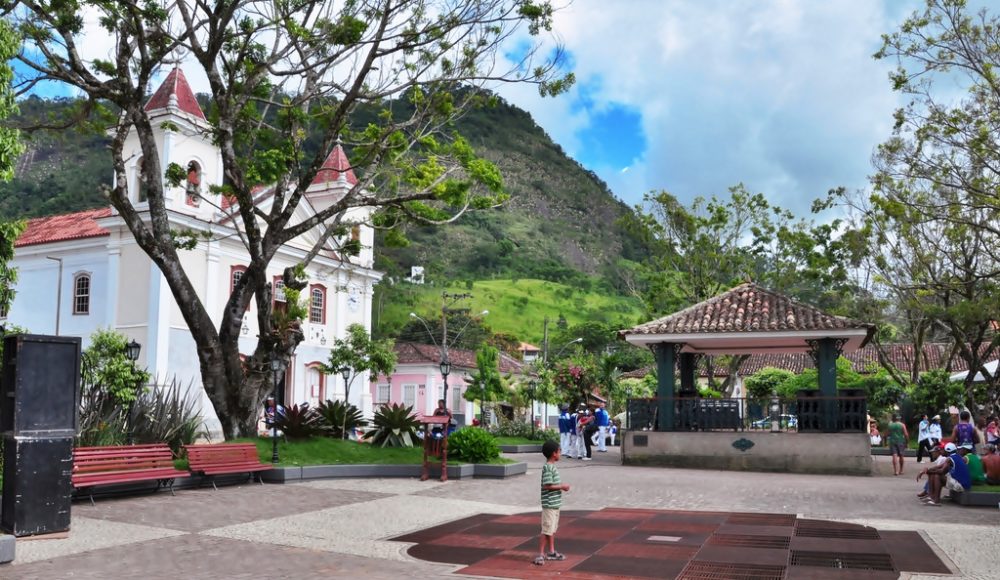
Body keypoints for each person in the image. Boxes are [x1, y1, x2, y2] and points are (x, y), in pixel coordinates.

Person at [535, 440, 569, 566]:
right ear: (554, 453)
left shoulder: (552, 466)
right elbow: (547, 486)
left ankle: (551, 551)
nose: (561, 454)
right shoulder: (548, 467)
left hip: (554, 504)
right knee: (546, 529)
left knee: (551, 529)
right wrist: (561, 486)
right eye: (559, 451)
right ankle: (541, 554)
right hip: (549, 504)